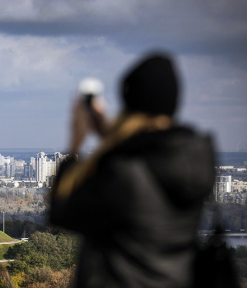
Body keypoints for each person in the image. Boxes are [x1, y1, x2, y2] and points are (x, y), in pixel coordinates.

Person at [49, 53, 215, 287]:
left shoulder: (124, 171)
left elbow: (62, 211)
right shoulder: (196, 159)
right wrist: (109, 135)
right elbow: (152, 153)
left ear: (129, 103)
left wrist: (75, 143)